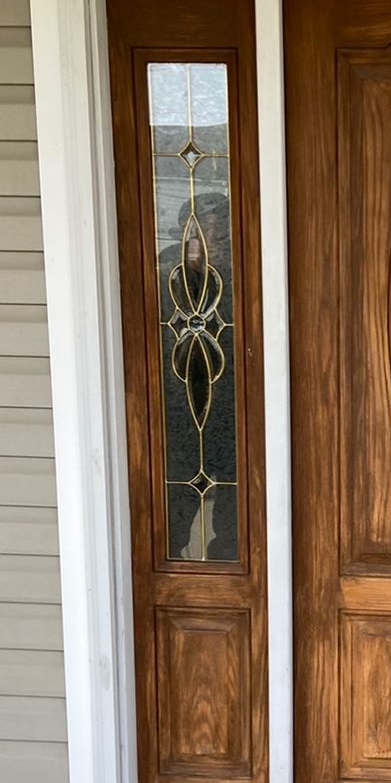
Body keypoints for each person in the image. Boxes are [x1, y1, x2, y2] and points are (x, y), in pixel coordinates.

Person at [159, 191, 238, 562]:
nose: (210, 242)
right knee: (176, 503)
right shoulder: (167, 274)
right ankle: (171, 568)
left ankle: (227, 574)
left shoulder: (242, 275)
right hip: (180, 409)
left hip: (235, 406)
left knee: (236, 512)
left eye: (219, 233)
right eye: (202, 234)